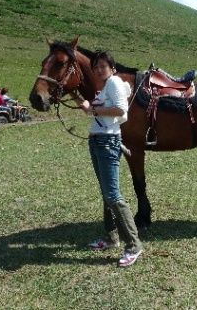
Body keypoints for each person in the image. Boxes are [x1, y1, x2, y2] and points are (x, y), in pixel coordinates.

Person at [74, 51, 143, 267]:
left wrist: (94, 109)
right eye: (96, 66)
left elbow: (121, 110)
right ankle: (111, 237)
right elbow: (92, 112)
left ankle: (134, 245)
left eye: (103, 66)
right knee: (106, 193)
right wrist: (76, 95)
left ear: (112, 68)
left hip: (107, 142)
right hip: (97, 140)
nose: (98, 69)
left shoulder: (113, 82)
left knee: (113, 194)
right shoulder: (105, 87)